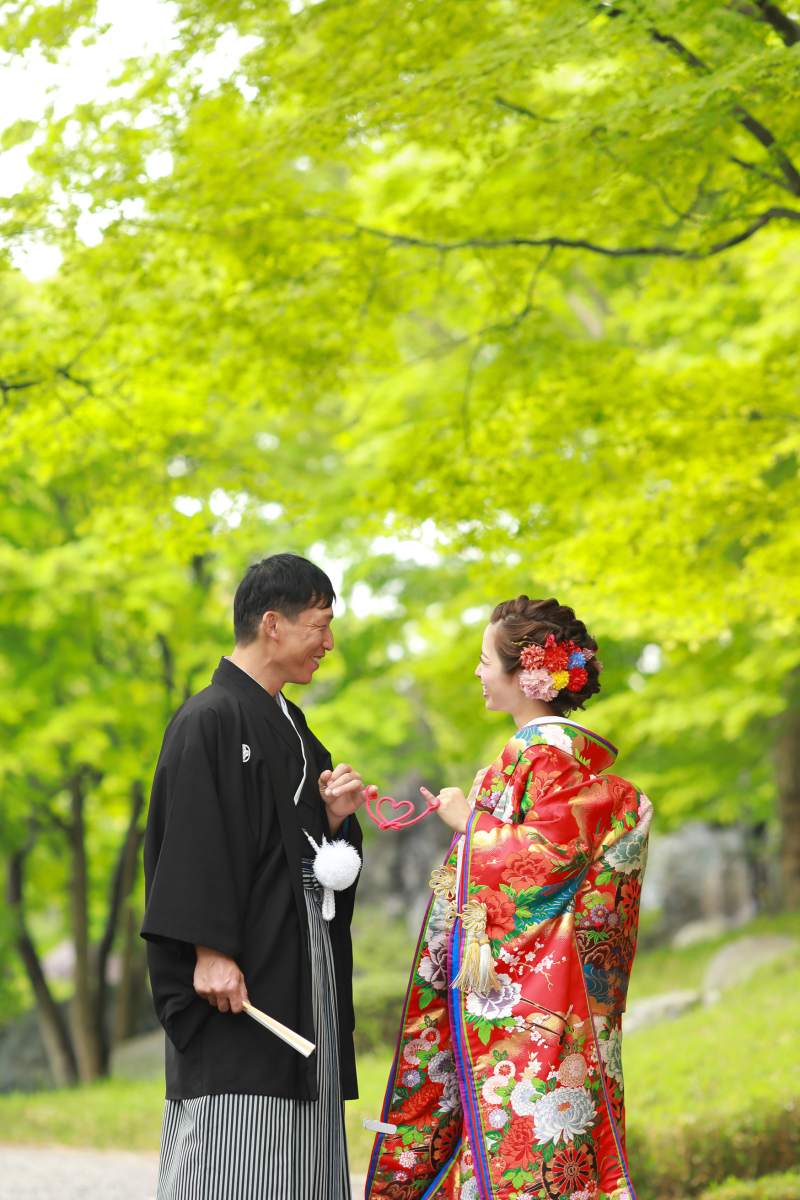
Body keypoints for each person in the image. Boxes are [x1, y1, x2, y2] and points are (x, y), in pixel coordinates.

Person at [365, 597, 651, 1200]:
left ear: (528, 674)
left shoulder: (546, 754)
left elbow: (546, 862)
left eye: (484, 661)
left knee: (533, 1145)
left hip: (542, 1000)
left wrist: (470, 825)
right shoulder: (540, 753)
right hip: (550, 990)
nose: (477, 673)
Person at [142, 553, 366, 1200]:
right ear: (273, 624)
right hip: (239, 963)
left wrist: (335, 818)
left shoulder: (295, 727)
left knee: (305, 1136)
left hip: (301, 953)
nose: (328, 643)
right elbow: (190, 841)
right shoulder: (208, 719)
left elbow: (309, 852)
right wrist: (207, 950)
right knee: (235, 1138)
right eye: (319, 625)